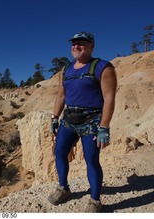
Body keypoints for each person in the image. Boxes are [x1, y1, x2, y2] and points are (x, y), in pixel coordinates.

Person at [48, 32, 117, 212]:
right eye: (74, 44)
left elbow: (109, 98)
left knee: (91, 159)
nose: (76, 46)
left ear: (92, 46)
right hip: (69, 119)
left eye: (81, 44)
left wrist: (104, 127)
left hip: (92, 121)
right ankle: (63, 187)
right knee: (60, 152)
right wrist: (55, 117)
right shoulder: (66, 69)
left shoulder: (103, 67)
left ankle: (95, 200)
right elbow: (61, 95)